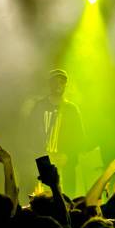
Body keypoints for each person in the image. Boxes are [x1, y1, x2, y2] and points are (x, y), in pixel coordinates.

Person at [26, 69, 86, 197]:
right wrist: (41, 156)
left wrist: (67, 155)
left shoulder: (71, 110)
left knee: (67, 199)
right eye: (55, 82)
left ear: (65, 85)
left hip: (66, 164)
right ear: (50, 84)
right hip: (43, 162)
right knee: (43, 200)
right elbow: (29, 134)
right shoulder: (39, 106)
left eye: (62, 82)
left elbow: (80, 138)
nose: (59, 85)